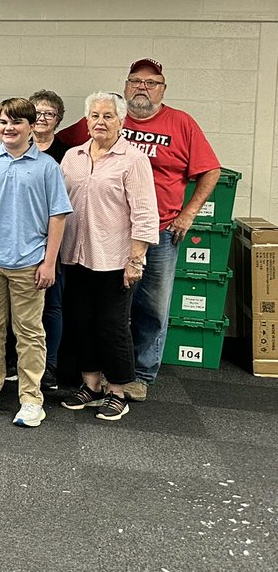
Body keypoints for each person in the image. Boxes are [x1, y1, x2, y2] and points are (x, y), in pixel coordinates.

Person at [54, 59, 220, 401]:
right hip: (84, 247)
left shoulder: (177, 126)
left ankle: (137, 377)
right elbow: (52, 144)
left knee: (148, 311)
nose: (142, 87)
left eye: (151, 82)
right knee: (86, 316)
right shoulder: (76, 152)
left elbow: (210, 170)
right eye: (135, 81)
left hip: (149, 235)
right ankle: (93, 381)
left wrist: (187, 215)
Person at [0, 98, 71, 428]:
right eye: (4, 122)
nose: (9, 128)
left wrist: (49, 262)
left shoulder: (47, 167)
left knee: (29, 333)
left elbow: (58, 216)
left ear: (30, 126)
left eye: (16, 122)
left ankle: (30, 399)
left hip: (28, 264)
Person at [59, 92, 159, 422]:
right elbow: (58, 205)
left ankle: (117, 390)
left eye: (108, 116)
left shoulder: (133, 160)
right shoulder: (72, 157)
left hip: (116, 260)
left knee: (113, 327)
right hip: (75, 255)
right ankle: (90, 386)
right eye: (94, 115)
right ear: (86, 120)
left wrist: (136, 259)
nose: (100, 122)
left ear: (121, 121)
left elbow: (145, 214)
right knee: (81, 323)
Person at [28, 88, 68, 391]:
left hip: (52, 243)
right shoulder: (14, 145)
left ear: (58, 120)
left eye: (49, 113)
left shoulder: (68, 154)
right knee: (18, 306)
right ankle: (17, 363)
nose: (42, 118)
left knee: (51, 306)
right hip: (18, 243)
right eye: (37, 112)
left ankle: (49, 365)